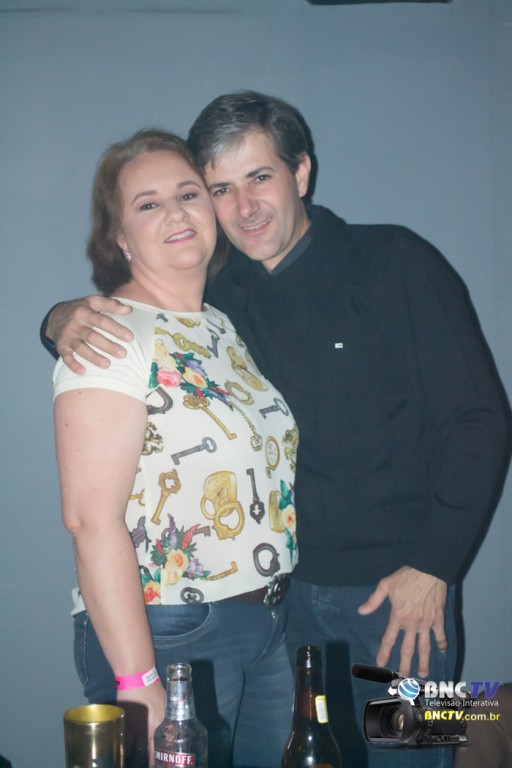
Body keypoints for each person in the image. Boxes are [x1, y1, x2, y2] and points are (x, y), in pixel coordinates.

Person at [43, 93, 511, 768]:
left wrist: (435, 565)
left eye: (259, 177)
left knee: (414, 755)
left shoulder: (394, 259)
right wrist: (59, 318)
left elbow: (479, 419)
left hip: (400, 597)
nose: (245, 207)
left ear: (301, 172)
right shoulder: (222, 298)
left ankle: (474, 713)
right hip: (284, 609)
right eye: (221, 189)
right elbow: (132, 328)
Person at [52, 127, 299, 768]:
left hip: (265, 620)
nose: (177, 213)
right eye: (148, 203)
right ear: (120, 237)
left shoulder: (218, 325)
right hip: (169, 633)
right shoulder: (110, 334)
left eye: (188, 193)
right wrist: (139, 681)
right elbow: (89, 520)